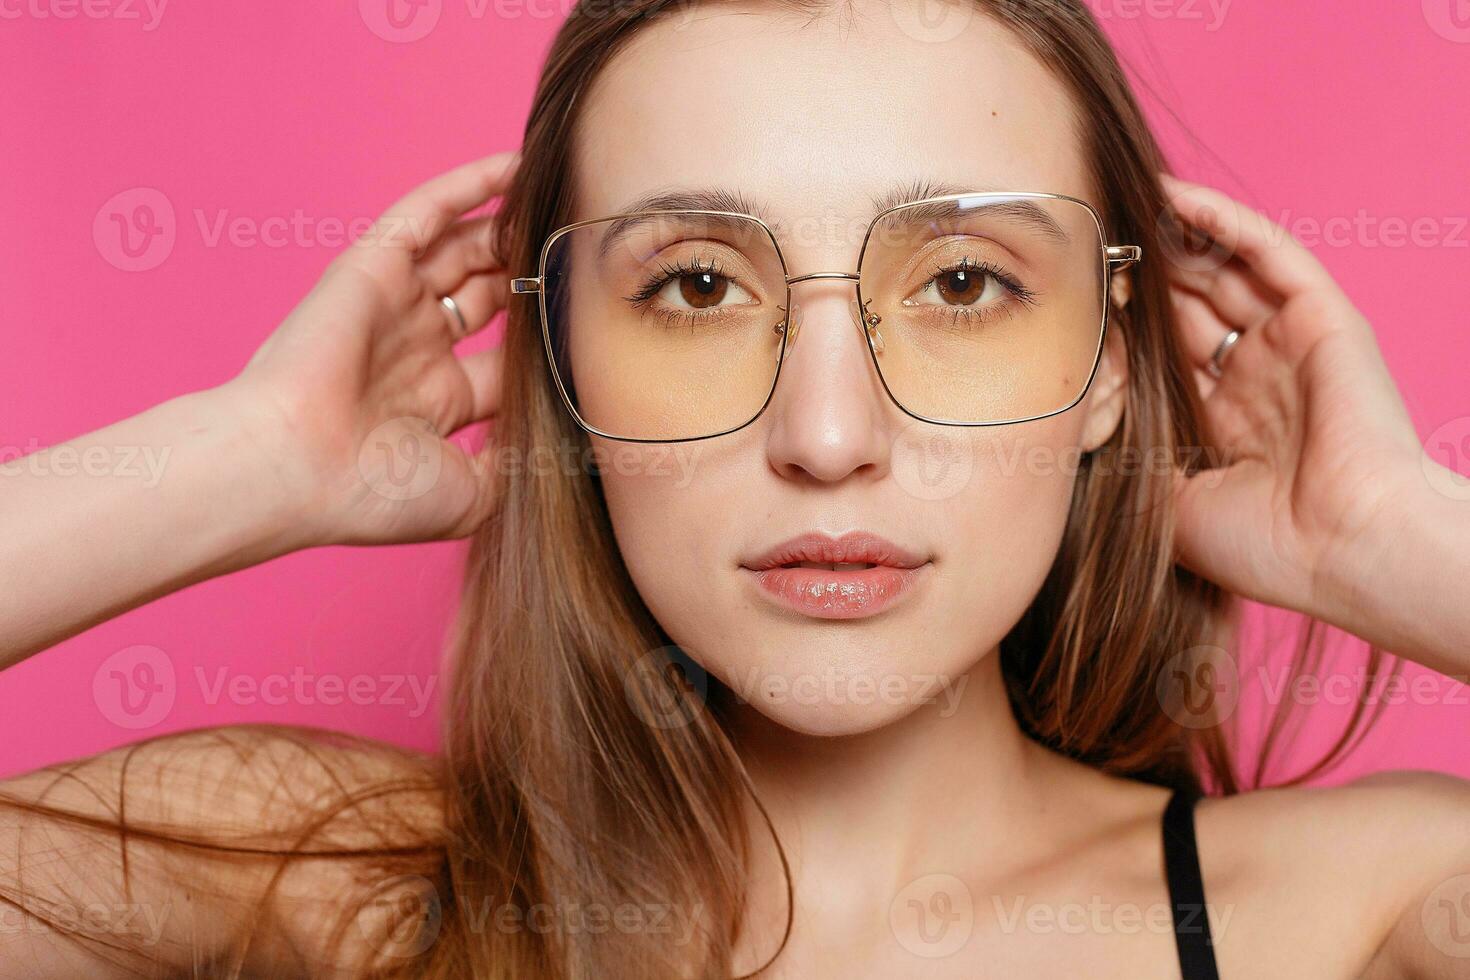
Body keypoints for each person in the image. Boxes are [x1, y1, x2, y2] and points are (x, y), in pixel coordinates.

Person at [3, 0, 1468, 976]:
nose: (826, 436)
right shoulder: (322, 876)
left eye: (963, 280)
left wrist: (1387, 539)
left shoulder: (1364, 909)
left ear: (1106, 361)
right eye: (695, 285)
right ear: (558, 358)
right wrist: (247, 461)